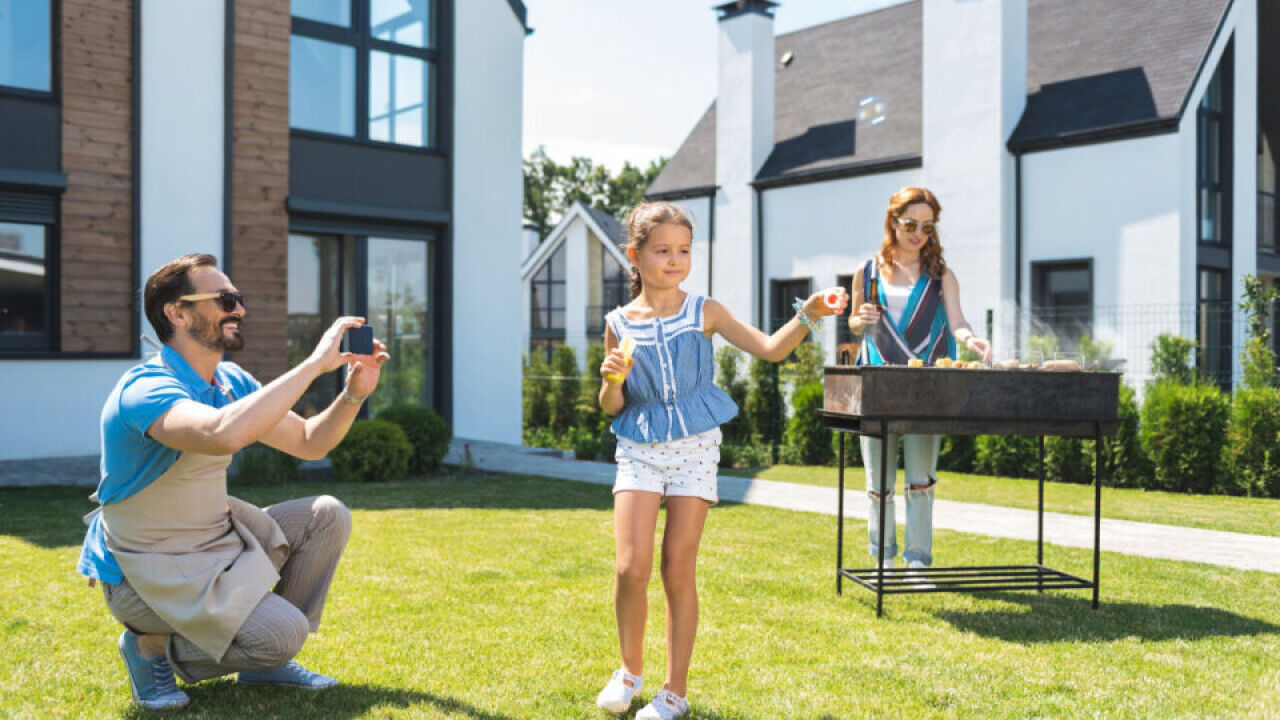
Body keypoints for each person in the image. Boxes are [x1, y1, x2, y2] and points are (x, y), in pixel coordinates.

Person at [76, 253, 390, 710]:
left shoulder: (228, 381)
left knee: (325, 515)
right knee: (284, 633)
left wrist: (350, 395)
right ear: (177, 312)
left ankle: (266, 661)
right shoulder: (145, 388)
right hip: (146, 571)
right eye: (224, 299)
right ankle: (149, 647)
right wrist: (313, 365)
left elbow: (307, 441)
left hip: (211, 551)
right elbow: (220, 433)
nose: (238, 308)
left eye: (238, 298)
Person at [594, 202, 847, 719]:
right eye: (662, 250)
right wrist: (610, 380)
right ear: (634, 256)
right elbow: (610, 407)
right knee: (629, 568)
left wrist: (809, 314)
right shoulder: (617, 323)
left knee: (676, 569)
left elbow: (771, 349)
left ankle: (674, 693)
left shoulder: (704, 310)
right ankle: (628, 672)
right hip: (639, 448)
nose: (674, 260)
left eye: (683, 250)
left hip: (695, 449)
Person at [846, 187, 992, 573]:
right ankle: (883, 558)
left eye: (927, 227)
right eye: (910, 224)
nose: (918, 234)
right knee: (878, 480)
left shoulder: (941, 275)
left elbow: (957, 322)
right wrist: (860, 320)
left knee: (921, 479)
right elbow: (853, 322)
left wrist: (970, 339)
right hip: (877, 380)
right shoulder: (868, 270)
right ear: (892, 222)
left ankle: (917, 562)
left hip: (928, 381)